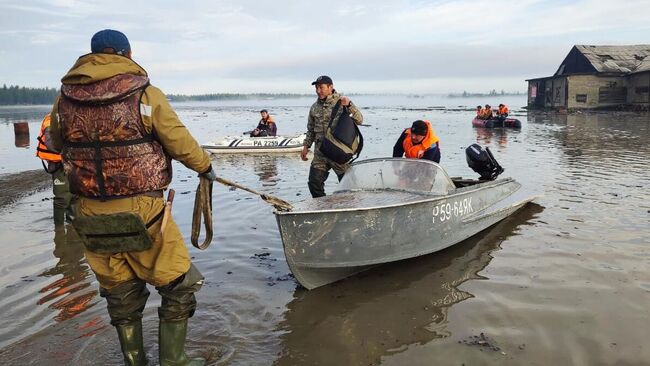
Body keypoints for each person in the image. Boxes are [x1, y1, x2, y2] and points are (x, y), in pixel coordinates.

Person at [49, 29, 215, 366]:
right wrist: (206, 167)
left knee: (120, 294)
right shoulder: (146, 95)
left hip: (89, 213)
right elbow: (179, 142)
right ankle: (174, 361)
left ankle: (135, 362)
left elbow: (56, 143)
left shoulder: (64, 100)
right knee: (180, 285)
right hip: (145, 209)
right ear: (127, 54)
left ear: (91, 55)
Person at [300, 75, 363, 198]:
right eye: (316, 88)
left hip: (338, 152)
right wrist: (306, 146)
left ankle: (350, 209)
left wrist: (350, 104)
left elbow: (359, 120)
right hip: (320, 152)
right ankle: (322, 209)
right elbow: (311, 129)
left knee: (349, 186)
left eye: (321, 87)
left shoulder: (342, 102)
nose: (318, 91)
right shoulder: (314, 107)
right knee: (314, 184)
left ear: (330, 87)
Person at [36, 113, 76, 227]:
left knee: (75, 196)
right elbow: (50, 143)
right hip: (59, 164)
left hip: (74, 163)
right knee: (62, 198)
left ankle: (72, 227)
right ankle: (58, 229)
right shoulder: (50, 120)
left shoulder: (72, 117)